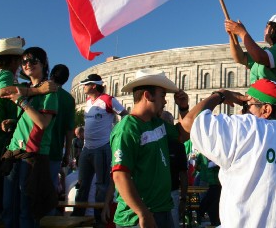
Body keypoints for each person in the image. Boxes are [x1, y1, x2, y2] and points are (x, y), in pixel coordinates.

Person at [181, 78, 276, 228]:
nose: (242, 111)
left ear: (266, 110)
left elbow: (190, 122)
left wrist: (221, 95)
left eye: (246, 105)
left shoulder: (251, 128)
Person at [110, 68, 188, 228]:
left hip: (163, 211)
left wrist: (184, 108)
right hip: (137, 219)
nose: (165, 102)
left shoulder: (157, 123)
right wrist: (143, 213)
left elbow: (183, 135)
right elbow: (120, 176)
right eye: (162, 96)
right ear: (148, 95)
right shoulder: (127, 129)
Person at [1, 47, 59, 227]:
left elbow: (42, 123)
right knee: (9, 207)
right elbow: (2, 92)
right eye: (24, 61)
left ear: (43, 64)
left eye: (33, 61)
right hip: (14, 152)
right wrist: (15, 119)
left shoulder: (51, 91)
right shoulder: (28, 88)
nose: (27, 64)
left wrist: (22, 102)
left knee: (27, 210)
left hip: (32, 154)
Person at [73, 73, 127, 225]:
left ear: (94, 86)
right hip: (87, 148)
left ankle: (99, 219)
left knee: (101, 186)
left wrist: (117, 135)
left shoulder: (108, 100)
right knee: (82, 184)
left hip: (102, 148)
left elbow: (124, 114)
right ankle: (77, 219)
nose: (83, 87)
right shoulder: (89, 101)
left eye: (86, 84)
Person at [225, 12, 276, 118]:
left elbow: (260, 57)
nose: (264, 30)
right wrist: (233, 36)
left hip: (275, 109)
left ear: (275, 29)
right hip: (259, 106)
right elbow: (240, 57)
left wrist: (242, 33)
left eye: (267, 27)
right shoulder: (266, 52)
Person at [48, 64, 76, 204]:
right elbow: (69, 130)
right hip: (55, 150)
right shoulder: (68, 99)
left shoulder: (37, 91)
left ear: (51, 74)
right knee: (51, 187)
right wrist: (67, 154)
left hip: (33, 148)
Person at [159, 110, 189, 228]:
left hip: (171, 193)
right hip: (163, 193)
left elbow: (183, 173)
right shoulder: (154, 141)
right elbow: (183, 174)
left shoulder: (178, 145)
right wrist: (183, 198)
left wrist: (183, 198)